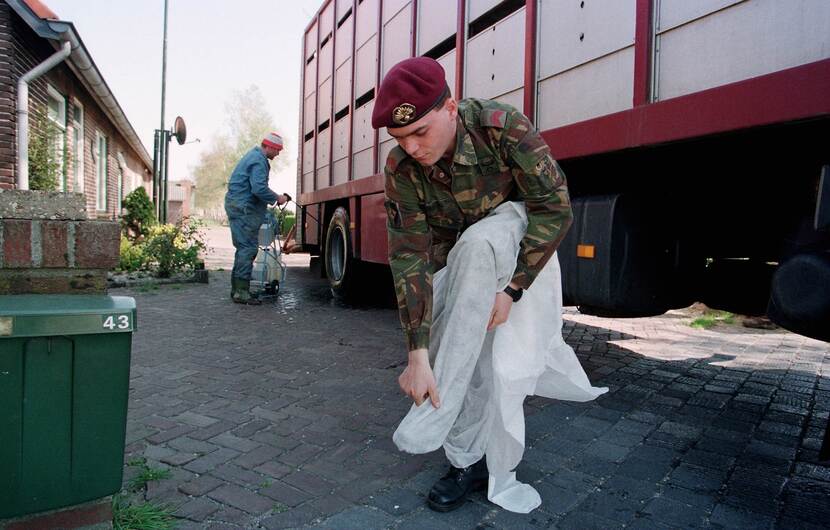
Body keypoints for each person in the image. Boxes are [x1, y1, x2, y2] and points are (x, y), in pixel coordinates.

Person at [373, 57, 607, 514]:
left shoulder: (502, 128)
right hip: (457, 272)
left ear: (451, 107)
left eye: (420, 132)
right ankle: (467, 458)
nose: (412, 147)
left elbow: (553, 208)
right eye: (401, 138)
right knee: (467, 354)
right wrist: (416, 354)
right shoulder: (402, 166)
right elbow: (409, 257)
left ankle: (445, 432)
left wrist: (512, 290)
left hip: (517, 252)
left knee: (480, 246)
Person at [224, 132, 290, 304]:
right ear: (268, 146)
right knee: (248, 248)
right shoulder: (259, 160)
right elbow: (259, 188)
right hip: (244, 209)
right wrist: (278, 198)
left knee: (243, 248)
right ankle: (240, 292)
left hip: (238, 206)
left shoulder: (253, 157)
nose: (278, 153)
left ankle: (238, 289)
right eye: (277, 150)